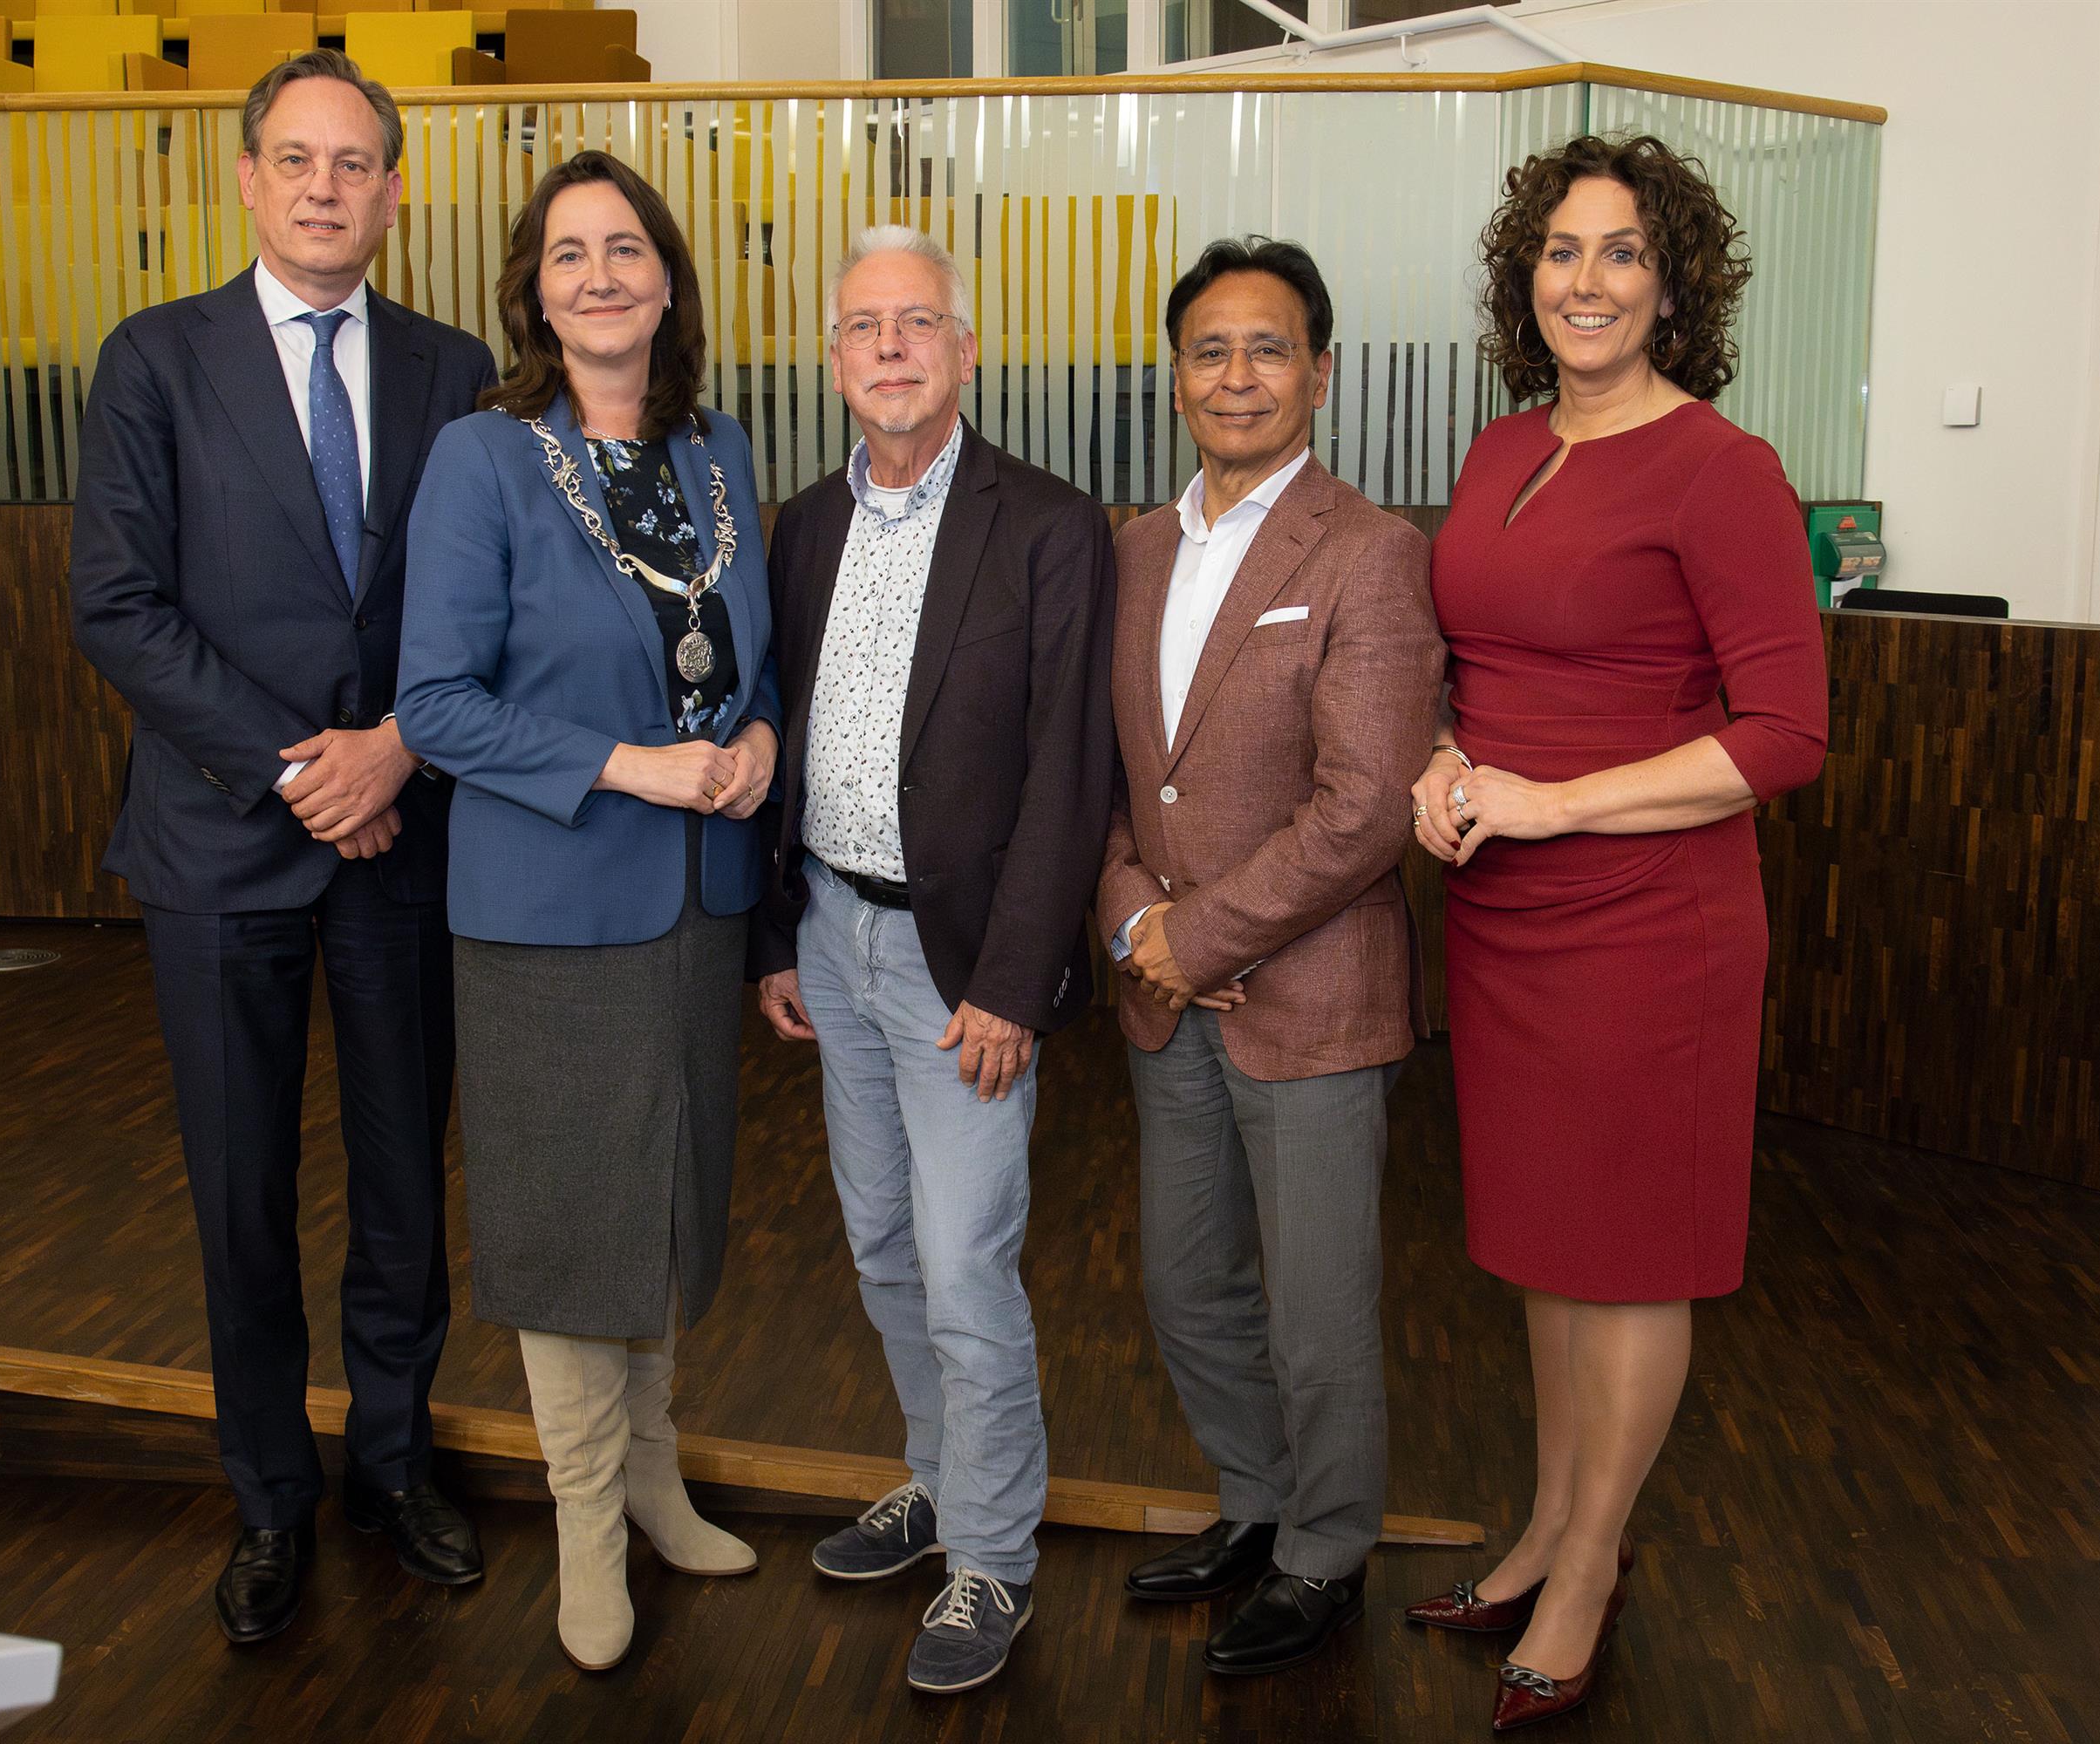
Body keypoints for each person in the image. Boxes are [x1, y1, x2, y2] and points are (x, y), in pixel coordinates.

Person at [1401, 133, 1827, 1730]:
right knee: (1549, 1251)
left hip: (1653, 922)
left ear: (1675, 284)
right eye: (1563, 250)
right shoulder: (1503, 447)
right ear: (1530, 277)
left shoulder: (1724, 468)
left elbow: (1785, 733)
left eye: (1623, 252)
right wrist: (1450, 764)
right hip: (1504, 916)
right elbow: (1469, 661)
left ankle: (1591, 1565)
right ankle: (1546, 1525)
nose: (1587, 279)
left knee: (1632, 1259)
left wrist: (1554, 803)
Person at [70, 49, 496, 1645]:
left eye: (358, 163)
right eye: (298, 160)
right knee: (240, 1196)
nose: (327, 188)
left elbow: (487, 607)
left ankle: (395, 1466)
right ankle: (270, 1497)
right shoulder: (153, 360)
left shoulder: (457, 375)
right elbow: (115, 604)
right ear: (247, 179)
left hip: (406, 838)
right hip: (220, 847)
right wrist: (301, 766)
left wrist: (397, 748)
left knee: (402, 1187)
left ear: (396, 190)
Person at [396, 149, 778, 1674]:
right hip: (547, 911)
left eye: (628, 249)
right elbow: (432, 704)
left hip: (696, 904)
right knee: (570, 1223)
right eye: (571, 254)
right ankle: (585, 1520)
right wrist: (630, 765)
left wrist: (752, 744)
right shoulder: (484, 460)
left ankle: (658, 1474)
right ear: (534, 291)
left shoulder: (716, 453)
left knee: (668, 1199)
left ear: (668, 282)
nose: (602, 274)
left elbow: (746, 668)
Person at [750, 226, 1115, 1696]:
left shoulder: (1048, 525)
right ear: (834, 359)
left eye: (919, 323)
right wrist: (779, 935)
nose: (890, 348)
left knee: (967, 1264)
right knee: (884, 1243)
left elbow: (1069, 772)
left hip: (967, 964)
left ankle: (993, 1560)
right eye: (863, 327)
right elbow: (778, 745)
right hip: (834, 937)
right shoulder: (800, 526)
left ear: (967, 349)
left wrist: (1014, 982)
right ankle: (934, 1478)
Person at [1099, 237, 1443, 1676]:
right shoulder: (1134, 548)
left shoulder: (1369, 551)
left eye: (1268, 348)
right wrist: (1138, 926)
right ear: (1175, 377)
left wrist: (1201, 936)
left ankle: (1325, 1549)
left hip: (1309, 998)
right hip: (1164, 997)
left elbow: (1368, 809)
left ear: (1318, 370)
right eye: (1209, 351)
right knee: (1190, 1285)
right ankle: (1255, 1504)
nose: (1237, 375)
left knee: (1316, 1311)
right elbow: (1110, 782)